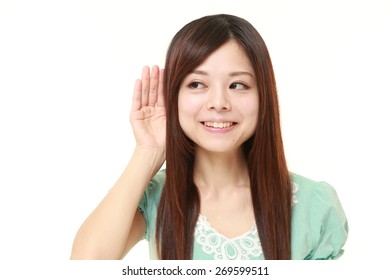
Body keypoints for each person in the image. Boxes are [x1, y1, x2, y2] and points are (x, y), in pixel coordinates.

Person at [70, 14, 348, 260]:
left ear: (264, 95)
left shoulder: (315, 206)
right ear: (174, 96)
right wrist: (149, 151)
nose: (218, 102)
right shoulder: (156, 196)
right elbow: (86, 265)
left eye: (237, 84)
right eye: (197, 84)